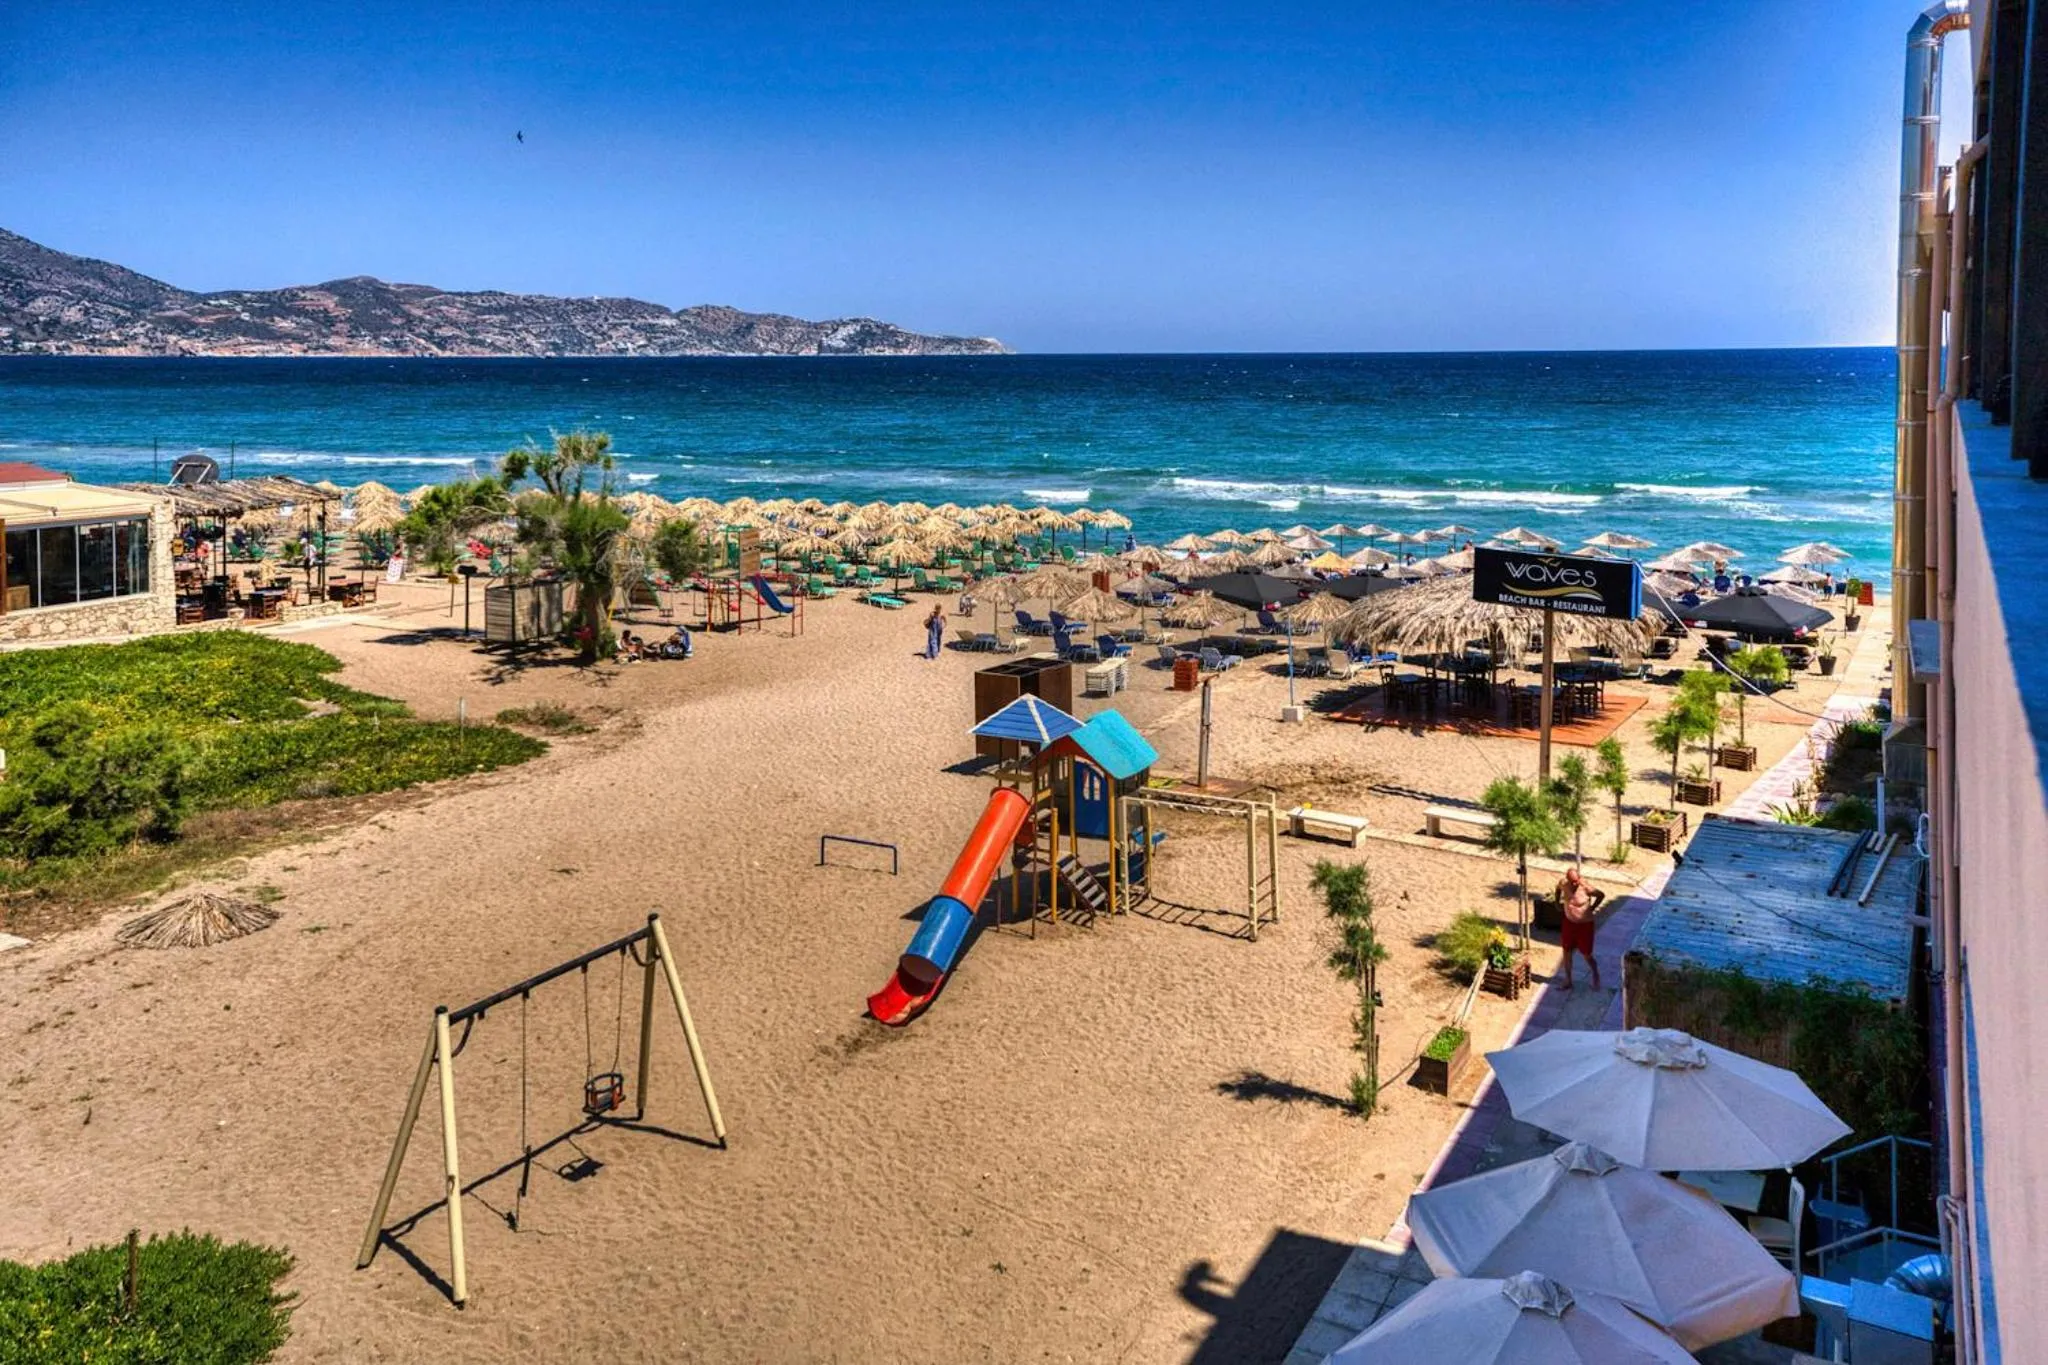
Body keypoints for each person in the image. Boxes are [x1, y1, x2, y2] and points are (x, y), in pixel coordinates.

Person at [1554, 865, 1607, 990]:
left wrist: (1593, 908)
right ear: (1567, 879)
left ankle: (1595, 973)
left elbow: (1601, 895)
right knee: (1566, 952)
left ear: (1579, 878)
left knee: (1587, 954)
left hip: (1585, 925)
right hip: (1569, 923)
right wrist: (1557, 902)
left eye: (1576, 881)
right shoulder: (1563, 884)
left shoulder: (1585, 887)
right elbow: (1557, 889)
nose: (1574, 884)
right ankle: (1568, 980)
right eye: (1572, 881)